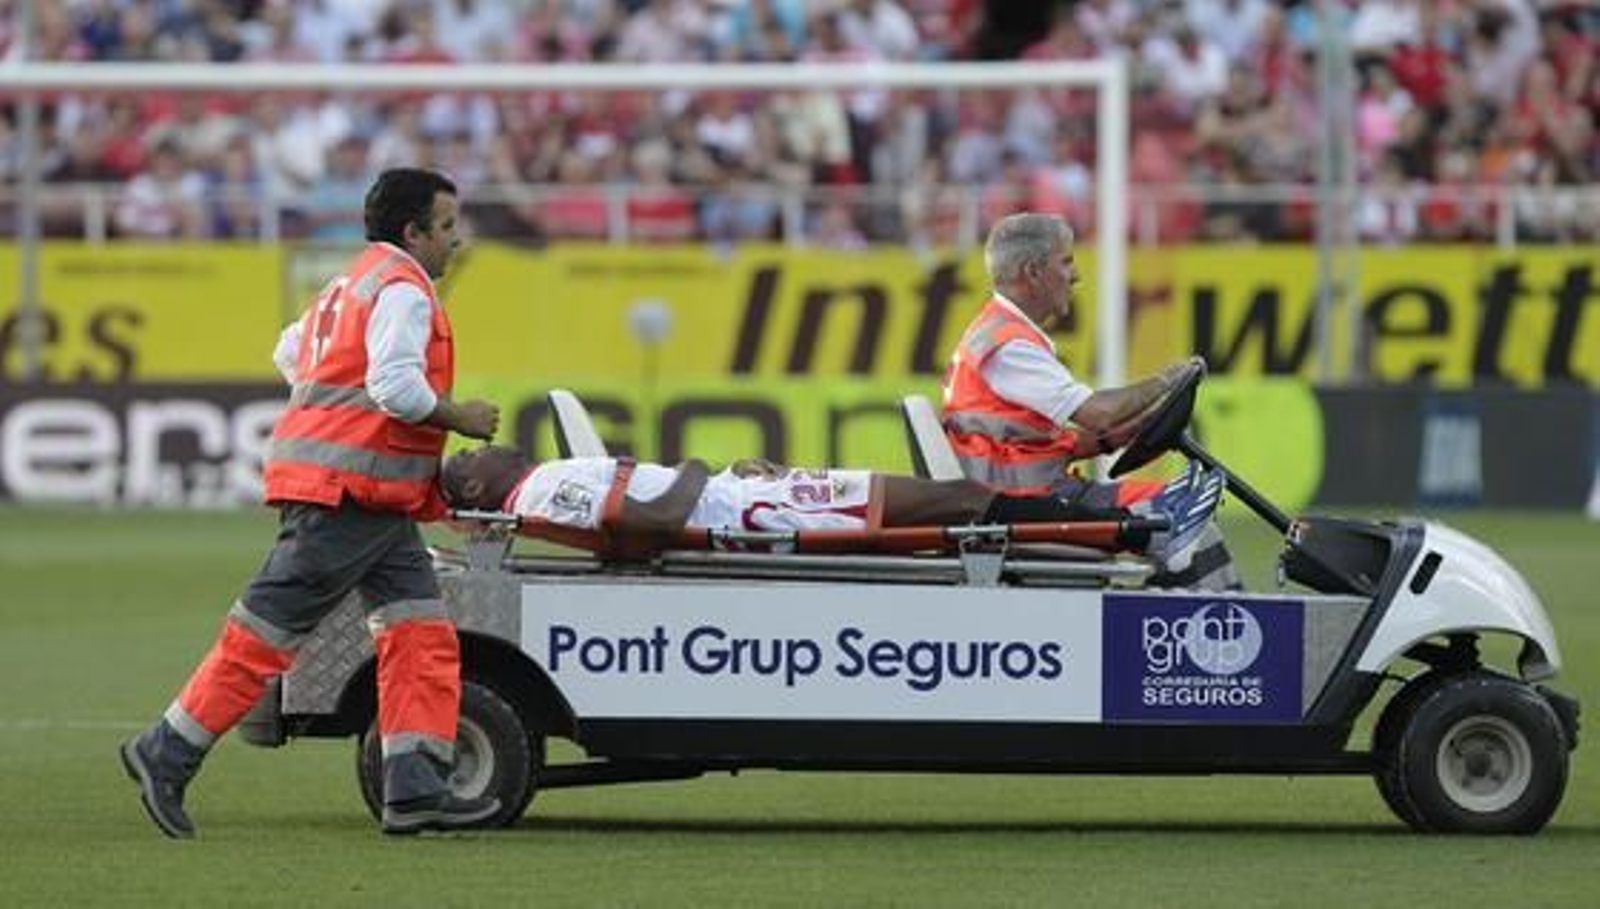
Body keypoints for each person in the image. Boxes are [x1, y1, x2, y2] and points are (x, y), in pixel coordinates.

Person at [120, 168, 504, 839]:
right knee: (267, 633)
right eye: (447, 226)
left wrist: (333, 412)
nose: (456, 239)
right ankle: (167, 748)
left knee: (420, 635)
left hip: (365, 497)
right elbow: (395, 388)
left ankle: (414, 789)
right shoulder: (404, 290)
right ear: (412, 232)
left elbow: (290, 350)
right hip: (349, 495)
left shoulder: (351, 281)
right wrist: (460, 417)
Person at [942, 212, 1239, 590]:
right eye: (1066, 262)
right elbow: (1100, 414)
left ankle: (1180, 612)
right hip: (1029, 508)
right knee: (1191, 524)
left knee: (1181, 515)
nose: (1076, 275)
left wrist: (1118, 437)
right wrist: (1166, 380)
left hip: (1028, 498)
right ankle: (1225, 621)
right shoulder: (1009, 346)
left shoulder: (1000, 334)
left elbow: (1030, 443)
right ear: (1033, 272)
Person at [437, 445, 1225, 562]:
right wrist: (699, 469)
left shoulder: (541, 484)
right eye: (467, 458)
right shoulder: (541, 485)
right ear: (474, 488)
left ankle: (1130, 527)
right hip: (759, 515)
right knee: (961, 502)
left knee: (961, 508)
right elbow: (646, 521)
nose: (482, 448)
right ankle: (1138, 529)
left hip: (751, 503)